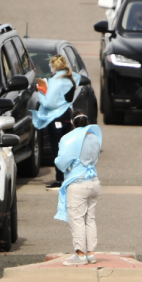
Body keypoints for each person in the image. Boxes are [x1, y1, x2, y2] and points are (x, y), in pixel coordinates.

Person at [54, 114, 102, 266]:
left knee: (77, 220)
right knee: (90, 219)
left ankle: (81, 255)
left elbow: (61, 162)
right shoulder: (94, 137)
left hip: (77, 184)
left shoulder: (70, 139)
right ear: (88, 123)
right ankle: (91, 254)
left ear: (73, 124)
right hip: (94, 182)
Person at [31, 55, 79, 190]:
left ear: (54, 66)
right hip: (67, 118)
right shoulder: (70, 78)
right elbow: (68, 99)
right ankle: (69, 177)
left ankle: (60, 179)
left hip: (56, 118)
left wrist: (41, 92)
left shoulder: (55, 81)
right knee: (66, 149)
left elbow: (50, 103)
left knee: (57, 151)